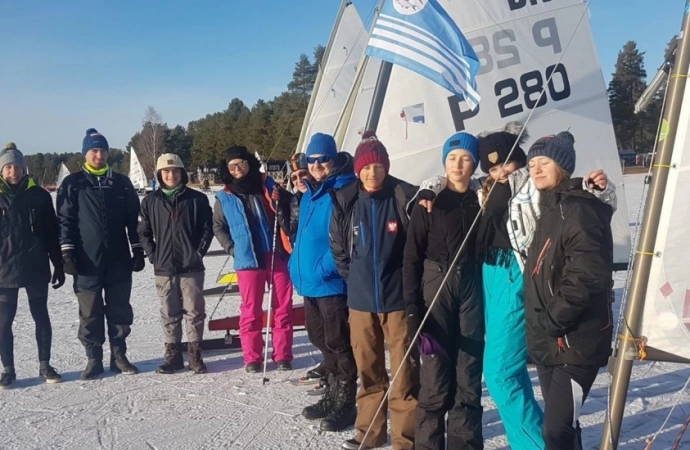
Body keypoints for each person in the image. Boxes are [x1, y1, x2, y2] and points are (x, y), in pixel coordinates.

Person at [523, 132, 613, 450]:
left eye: (543, 162)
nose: (535, 169)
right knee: (564, 427)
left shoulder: (578, 208)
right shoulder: (550, 211)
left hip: (575, 340)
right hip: (551, 341)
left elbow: (589, 275)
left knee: (555, 430)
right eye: (532, 164)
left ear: (562, 166)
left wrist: (554, 318)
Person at [330, 132, 419, 450]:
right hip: (361, 302)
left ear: (386, 166)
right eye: (366, 167)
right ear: (358, 169)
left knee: (405, 373)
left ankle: (405, 439)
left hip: (397, 302)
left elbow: (417, 248)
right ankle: (369, 432)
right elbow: (339, 248)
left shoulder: (403, 196)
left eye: (378, 166)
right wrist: (355, 280)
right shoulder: (346, 200)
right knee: (369, 372)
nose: (372, 172)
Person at [403, 132, 484, 450]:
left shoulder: (482, 198)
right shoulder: (429, 201)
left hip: (471, 288)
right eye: (452, 158)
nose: (458, 165)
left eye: (465, 158)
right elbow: (411, 259)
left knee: (468, 377)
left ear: (474, 163)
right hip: (436, 287)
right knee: (435, 379)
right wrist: (413, 311)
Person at [57, 128, 145, 380]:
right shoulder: (73, 183)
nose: (99, 155)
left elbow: (133, 220)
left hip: (118, 259)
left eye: (103, 150)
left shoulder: (121, 182)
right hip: (86, 261)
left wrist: (137, 249)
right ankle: (93, 358)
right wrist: (67, 253)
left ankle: (119, 356)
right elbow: (65, 220)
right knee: (90, 312)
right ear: (86, 154)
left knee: (119, 310)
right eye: (94, 151)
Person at [288, 133, 358, 432]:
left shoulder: (343, 190)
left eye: (323, 159)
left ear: (334, 159)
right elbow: (301, 235)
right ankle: (330, 395)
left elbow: (345, 240)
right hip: (310, 284)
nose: (317, 164)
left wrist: (325, 267)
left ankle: (345, 402)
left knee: (339, 343)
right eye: (312, 160)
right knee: (319, 339)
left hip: (330, 283)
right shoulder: (309, 194)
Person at [212, 146, 294, 373]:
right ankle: (252, 358)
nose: (238, 169)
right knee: (250, 310)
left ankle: (282, 355)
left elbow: (287, 207)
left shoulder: (266, 184)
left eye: (242, 163)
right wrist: (232, 248)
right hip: (248, 259)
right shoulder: (224, 196)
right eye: (233, 166)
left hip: (276, 253)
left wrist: (282, 199)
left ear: (249, 164)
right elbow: (218, 226)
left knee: (282, 307)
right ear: (228, 169)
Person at [138, 153, 214, 375]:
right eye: (166, 172)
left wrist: (198, 253)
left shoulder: (197, 200)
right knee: (169, 312)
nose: (171, 175)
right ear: (160, 175)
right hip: (164, 268)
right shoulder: (150, 201)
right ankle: (173, 355)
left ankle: (194, 353)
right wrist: (154, 255)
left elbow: (207, 229)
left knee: (194, 311)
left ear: (182, 173)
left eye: (175, 171)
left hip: (191, 266)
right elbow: (143, 233)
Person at [0, 143, 65, 389]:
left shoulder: (39, 195)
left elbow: (51, 233)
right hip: (4, 269)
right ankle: (8, 370)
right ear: (2, 170)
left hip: (36, 265)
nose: (13, 171)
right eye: (8, 167)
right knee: (4, 322)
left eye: (17, 166)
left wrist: (58, 264)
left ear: (23, 168)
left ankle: (44, 364)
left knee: (41, 317)